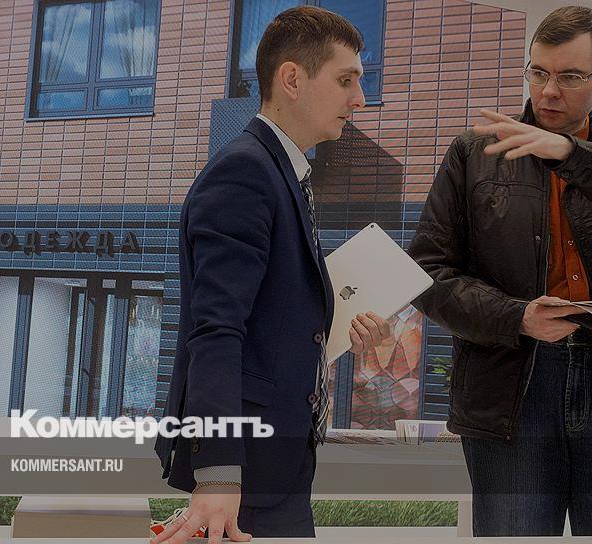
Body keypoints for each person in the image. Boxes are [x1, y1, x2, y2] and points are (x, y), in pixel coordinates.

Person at [408, 6, 592, 537]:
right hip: (511, 391)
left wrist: (574, 155)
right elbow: (426, 273)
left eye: (569, 77)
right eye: (538, 72)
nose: (548, 92)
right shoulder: (475, 155)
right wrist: (516, 316)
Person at [152, 6, 391, 542]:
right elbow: (214, 331)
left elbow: (270, 317)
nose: (360, 99)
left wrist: (336, 326)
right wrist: (218, 473)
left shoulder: (281, 172)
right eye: (346, 80)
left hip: (273, 469)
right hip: (244, 477)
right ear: (292, 79)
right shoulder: (246, 172)